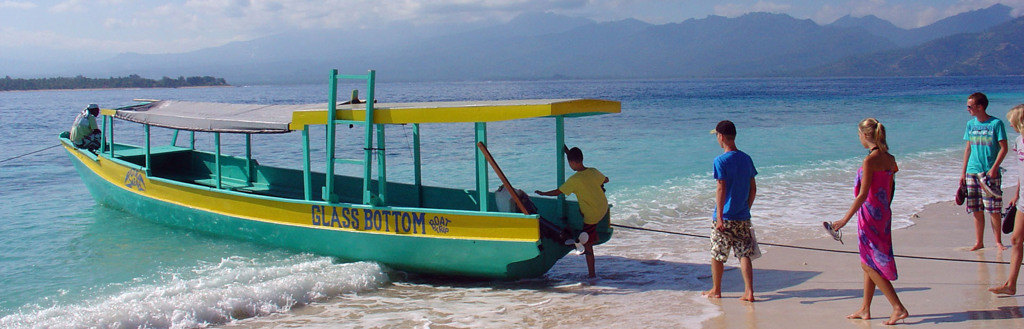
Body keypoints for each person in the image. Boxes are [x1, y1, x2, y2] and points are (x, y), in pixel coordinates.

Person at [829, 118, 908, 325]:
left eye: (858, 135)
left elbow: (862, 195)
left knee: (869, 264)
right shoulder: (890, 159)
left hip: (869, 215)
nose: (859, 139)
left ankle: (897, 307)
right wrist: (884, 210)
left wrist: (844, 220)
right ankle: (865, 308)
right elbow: (891, 189)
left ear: (865, 135)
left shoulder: (869, 161)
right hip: (883, 214)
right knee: (869, 261)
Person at [702, 120, 758, 302]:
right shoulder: (746, 158)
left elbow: (721, 189)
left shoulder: (720, 161)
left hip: (725, 217)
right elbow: (753, 188)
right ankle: (749, 291)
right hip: (742, 215)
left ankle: (716, 289)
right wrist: (746, 208)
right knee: (744, 253)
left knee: (717, 253)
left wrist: (719, 217)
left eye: (717, 136)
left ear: (722, 137)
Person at [535, 146, 609, 278]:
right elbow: (606, 180)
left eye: (569, 162)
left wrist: (543, 193)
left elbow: (558, 192)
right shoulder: (593, 171)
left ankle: (592, 274)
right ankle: (582, 235)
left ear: (572, 163)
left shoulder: (574, 180)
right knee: (581, 210)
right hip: (604, 207)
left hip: (592, 215)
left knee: (588, 245)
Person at [961, 92, 1009, 251]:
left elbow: (1004, 148)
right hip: (972, 171)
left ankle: (998, 242)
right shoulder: (970, 124)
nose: (967, 109)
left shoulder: (996, 124)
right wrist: (963, 173)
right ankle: (979, 241)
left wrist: (994, 168)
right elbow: (968, 149)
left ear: (980, 107)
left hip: (989, 173)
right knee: (975, 208)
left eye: (970, 106)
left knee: (994, 209)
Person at [990, 104, 1024, 295]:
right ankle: (1011, 284)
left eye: (1012, 121)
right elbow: (1022, 172)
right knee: (1016, 239)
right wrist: (1017, 194)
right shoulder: (1019, 141)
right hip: (1023, 201)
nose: (1010, 125)